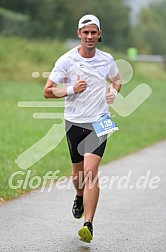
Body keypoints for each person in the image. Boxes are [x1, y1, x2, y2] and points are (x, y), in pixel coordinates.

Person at [43, 14, 121, 243]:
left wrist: (113, 92)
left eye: (93, 32)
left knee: (90, 172)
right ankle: (79, 196)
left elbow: (117, 80)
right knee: (78, 176)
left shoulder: (107, 59)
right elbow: (47, 91)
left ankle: (88, 224)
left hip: (100, 121)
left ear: (99, 34)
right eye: (85, 32)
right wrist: (71, 90)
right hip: (74, 122)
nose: (89, 36)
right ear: (79, 34)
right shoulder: (66, 60)